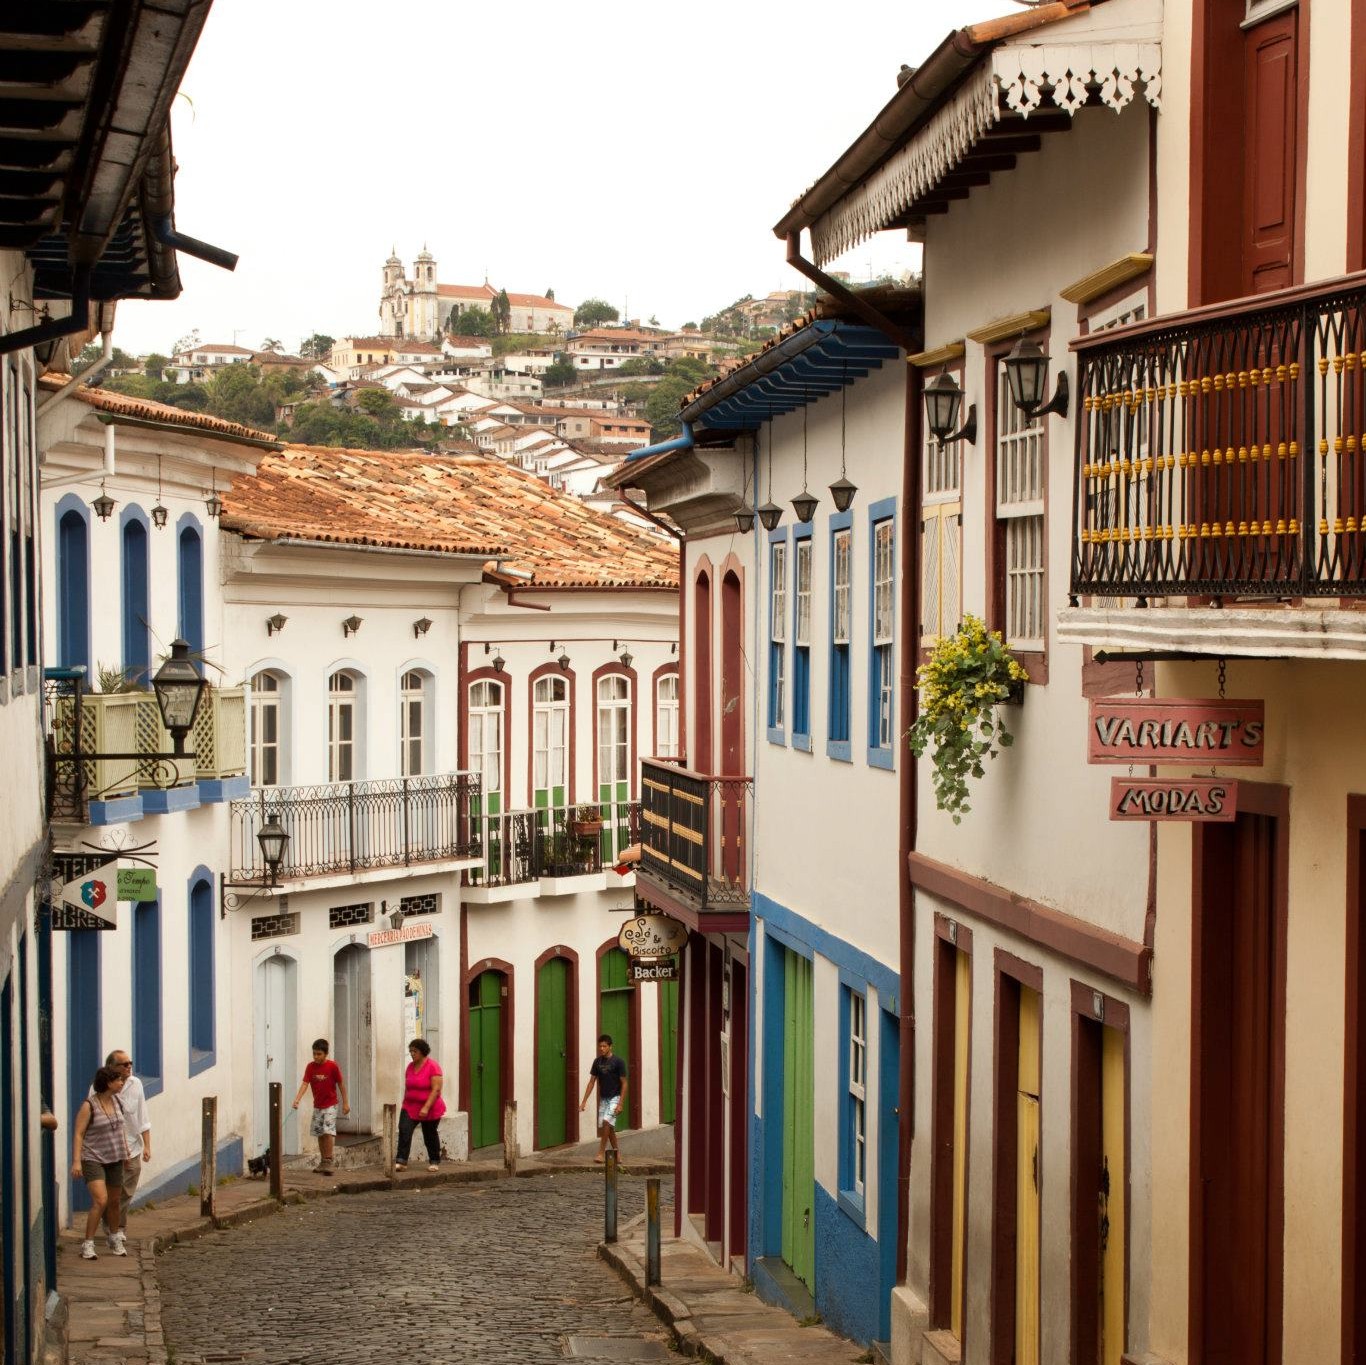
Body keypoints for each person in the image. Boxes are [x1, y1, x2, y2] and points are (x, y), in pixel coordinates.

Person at [70, 1066, 130, 1260]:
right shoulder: (89, 1105)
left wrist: (126, 1152)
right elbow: (79, 1133)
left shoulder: (118, 1101)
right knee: (100, 1200)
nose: (122, 1083)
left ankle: (114, 1237)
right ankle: (88, 1243)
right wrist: (76, 1161)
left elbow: (121, 1128)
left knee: (114, 1202)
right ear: (107, 1083)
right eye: (118, 1080)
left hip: (115, 1157)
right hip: (93, 1157)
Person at [90, 1049, 149, 1245]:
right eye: (124, 1064)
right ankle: (112, 1227)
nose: (129, 1066)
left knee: (127, 1192)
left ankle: (118, 1227)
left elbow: (142, 1117)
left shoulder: (136, 1084)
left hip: (132, 1146)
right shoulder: (96, 1090)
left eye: (130, 1063)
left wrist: (147, 1145)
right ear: (111, 1068)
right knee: (111, 1193)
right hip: (110, 1149)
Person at [291, 1039, 348, 1177]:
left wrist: (345, 1103)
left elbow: (341, 1084)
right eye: (314, 1054)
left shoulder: (332, 1067)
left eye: (319, 1054)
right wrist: (297, 1099)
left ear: (325, 1054)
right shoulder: (310, 1067)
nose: (316, 1057)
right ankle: (323, 1160)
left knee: (328, 1131)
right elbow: (305, 1084)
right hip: (318, 1105)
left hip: (331, 1104)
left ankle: (328, 1160)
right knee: (320, 1132)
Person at [396, 1037, 445, 1172]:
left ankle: (434, 1160)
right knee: (404, 1130)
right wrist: (405, 1101)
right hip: (410, 1106)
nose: (412, 1054)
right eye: (410, 1051)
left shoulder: (433, 1066)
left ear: (422, 1052)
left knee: (429, 1134)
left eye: (415, 1051)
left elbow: (436, 1089)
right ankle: (401, 1160)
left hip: (430, 1106)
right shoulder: (410, 1067)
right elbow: (408, 1086)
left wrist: (426, 1107)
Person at [579, 1033, 628, 1165]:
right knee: (608, 1127)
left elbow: (624, 1083)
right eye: (600, 1046)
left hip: (615, 1098)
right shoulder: (597, 1062)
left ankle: (601, 1153)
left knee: (607, 1122)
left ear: (610, 1047)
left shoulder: (618, 1062)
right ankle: (617, 1153)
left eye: (604, 1046)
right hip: (604, 1099)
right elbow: (591, 1082)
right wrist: (584, 1101)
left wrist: (620, 1103)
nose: (601, 1048)